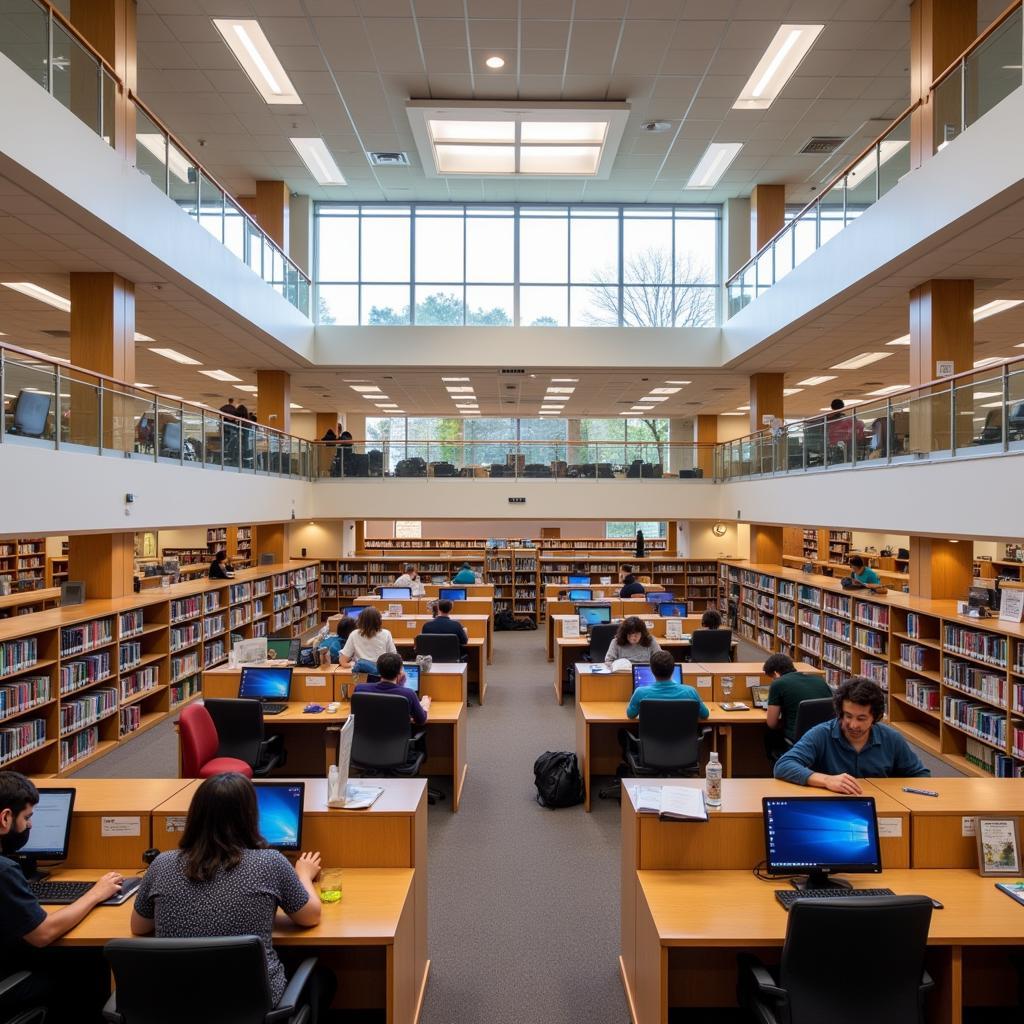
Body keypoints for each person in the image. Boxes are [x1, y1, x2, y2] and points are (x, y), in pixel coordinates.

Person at [130, 773, 334, 1020]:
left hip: (176, 1003)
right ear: (250, 817)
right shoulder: (269, 863)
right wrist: (303, 873)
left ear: (195, 815)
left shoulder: (162, 864)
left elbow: (139, 926)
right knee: (324, 979)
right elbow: (310, 916)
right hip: (253, 1005)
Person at [0, 771, 123, 1024]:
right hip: (5, 980)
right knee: (89, 963)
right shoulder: (4, 871)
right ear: (5, 818)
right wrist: (94, 894)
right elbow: (43, 934)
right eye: (27, 817)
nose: (30, 826)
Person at [774, 677, 929, 791]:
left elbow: (921, 775)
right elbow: (783, 765)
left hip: (880, 807)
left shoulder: (892, 738)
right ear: (840, 713)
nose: (853, 725)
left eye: (861, 718)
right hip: (832, 808)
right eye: (848, 716)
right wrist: (827, 780)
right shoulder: (821, 734)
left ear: (874, 718)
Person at [762, 652, 832, 750]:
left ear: (776, 673)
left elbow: (772, 723)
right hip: (825, 737)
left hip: (798, 741)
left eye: (772, 678)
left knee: (769, 735)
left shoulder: (778, 683)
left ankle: (780, 763)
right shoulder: (819, 680)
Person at [625, 650, 709, 720]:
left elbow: (630, 715)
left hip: (651, 739)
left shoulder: (640, 692)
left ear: (651, 670)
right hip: (684, 739)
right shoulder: (690, 692)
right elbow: (705, 715)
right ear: (673, 669)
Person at [354, 651, 431, 726]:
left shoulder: (360, 689)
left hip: (366, 737)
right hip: (398, 738)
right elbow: (421, 720)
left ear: (378, 670)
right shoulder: (409, 694)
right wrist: (425, 706)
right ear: (400, 672)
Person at [339, 607, 398, 675]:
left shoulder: (354, 634)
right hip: (381, 675)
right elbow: (394, 659)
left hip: (361, 676)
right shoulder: (386, 633)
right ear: (379, 621)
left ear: (360, 620)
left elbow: (343, 661)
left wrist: (354, 664)